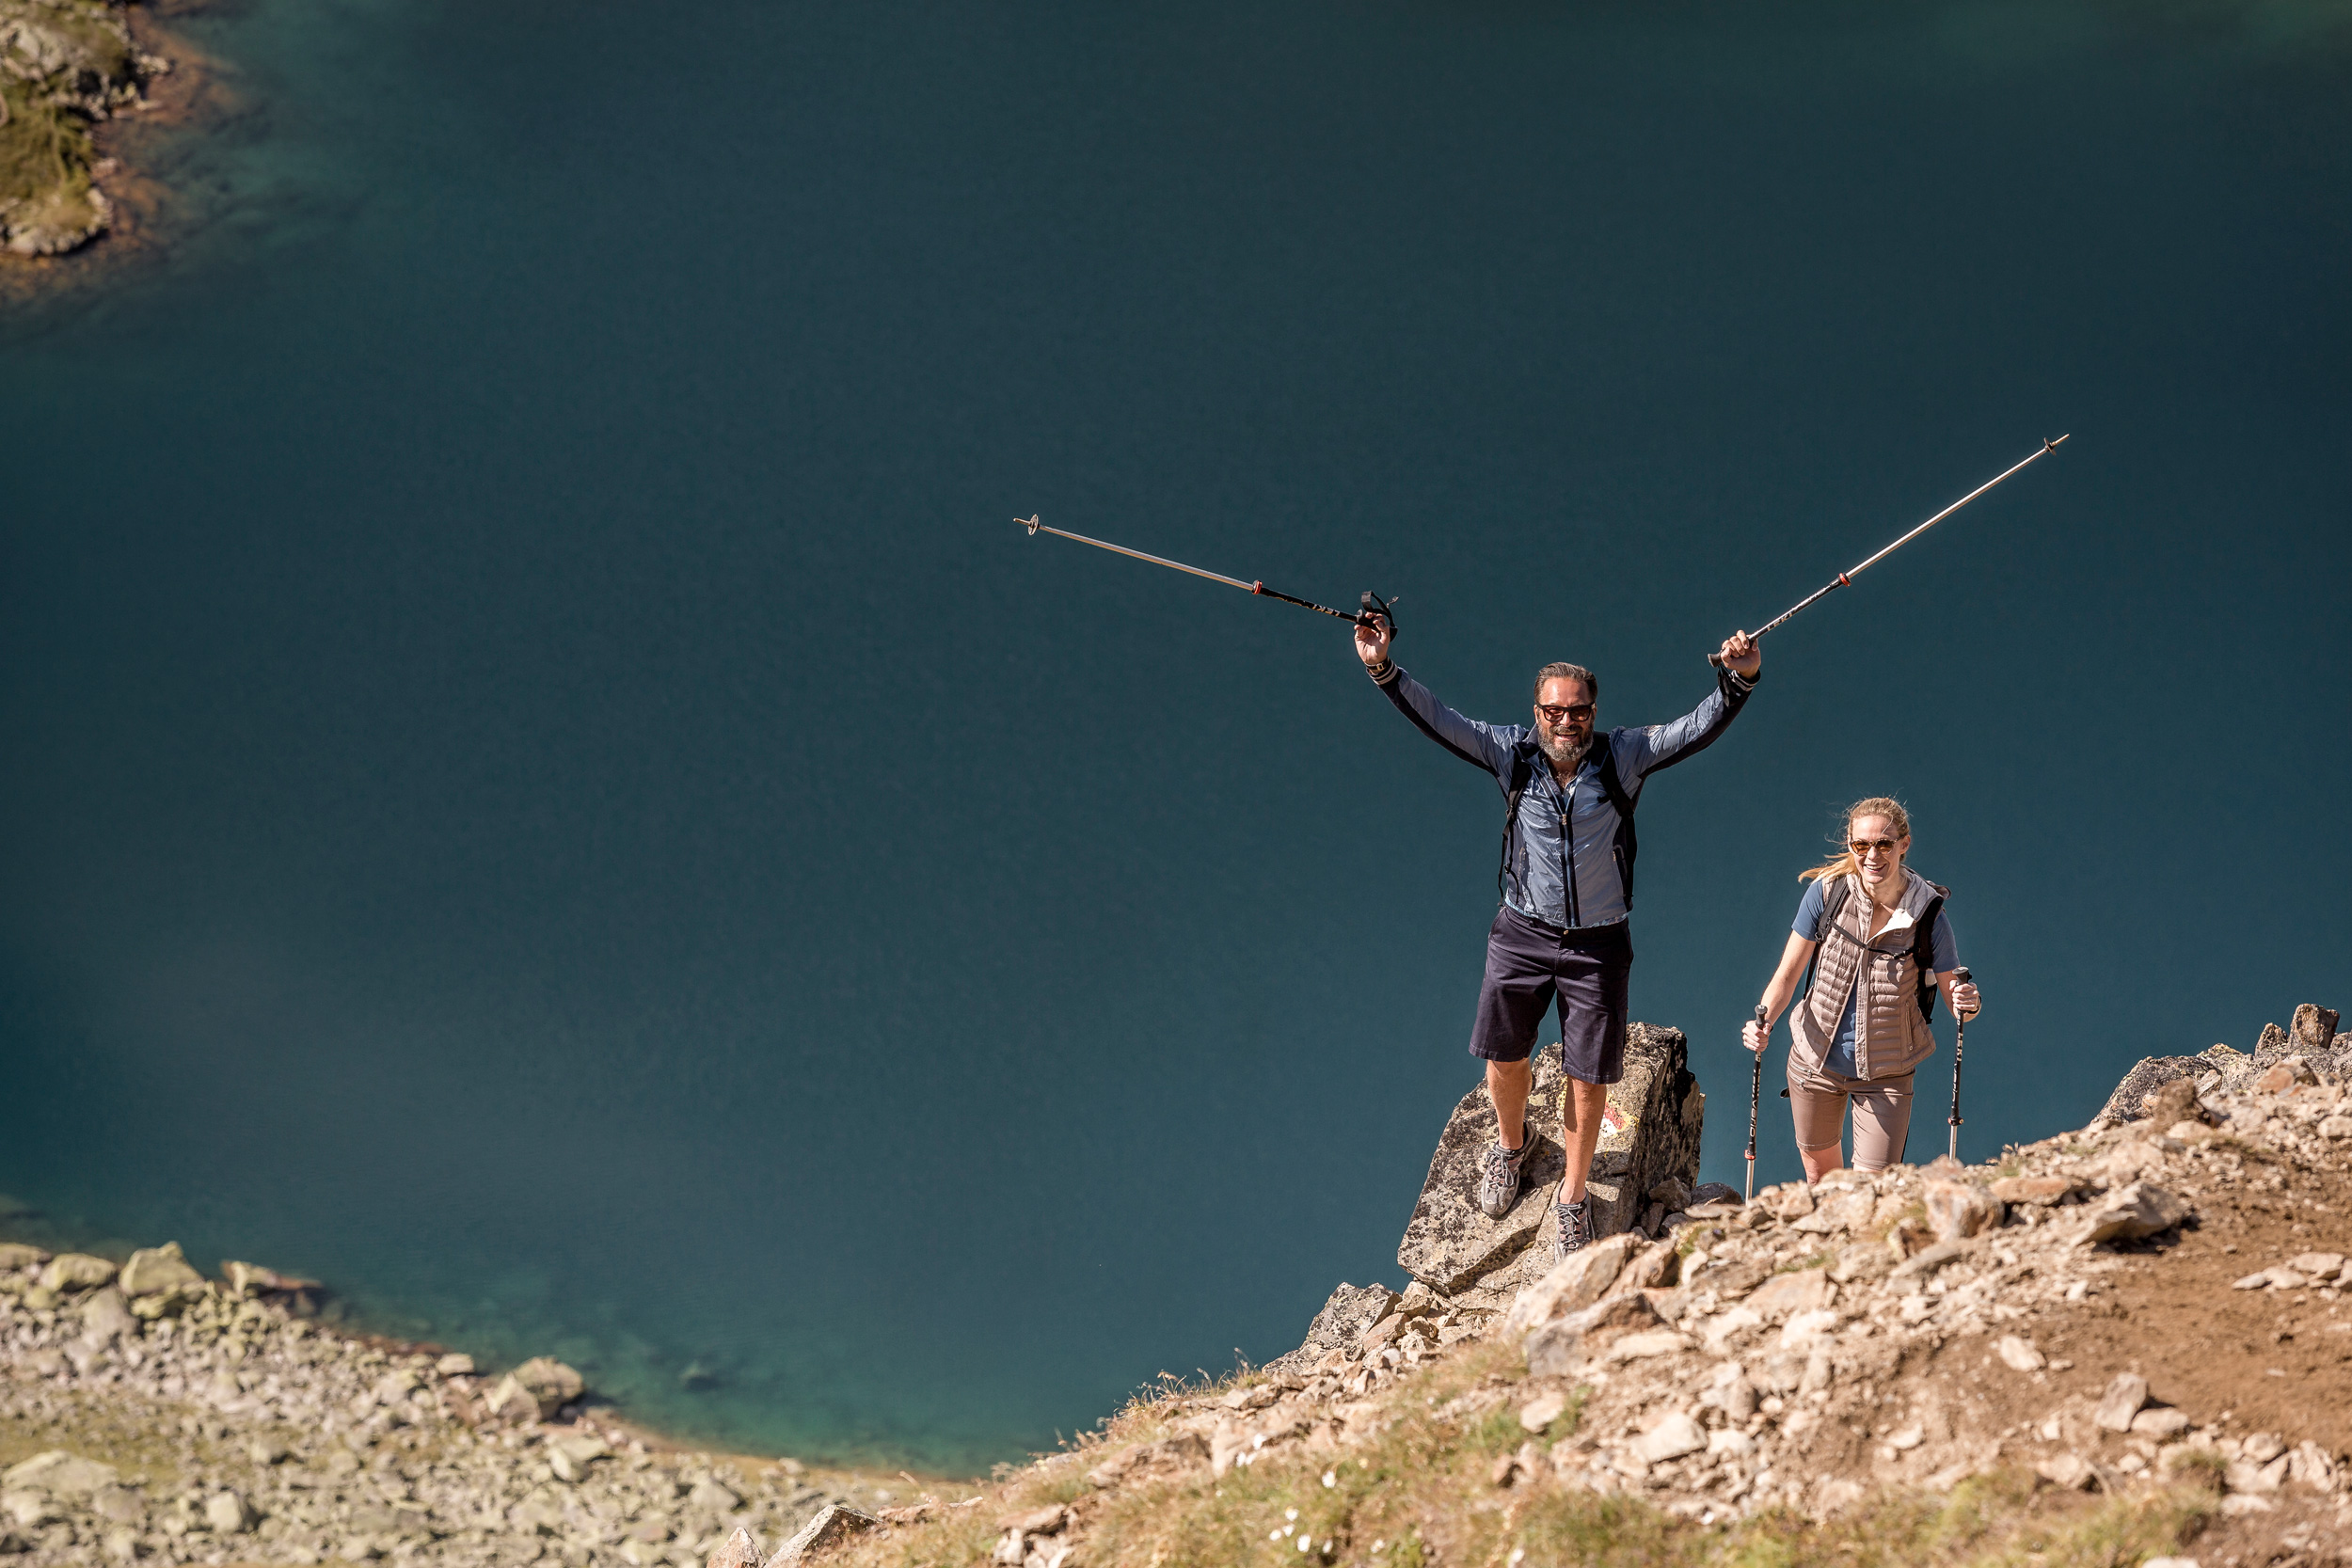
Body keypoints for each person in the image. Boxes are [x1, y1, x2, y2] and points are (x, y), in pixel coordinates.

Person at [1355, 614, 1762, 1259]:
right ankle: (1511, 1147)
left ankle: (1573, 1198)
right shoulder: (1509, 753)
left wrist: (1737, 683)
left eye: (1577, 712)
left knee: (1587, 1075)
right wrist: (1382, 667)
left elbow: (1690, 730)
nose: (1566, 722)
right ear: (1536, 712)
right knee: (1503, 1055)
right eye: (1553, 711)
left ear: (1593, 712)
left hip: (1598, 943)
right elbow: (1440, 719)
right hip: (1521, 931)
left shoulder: (1621, 755)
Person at [1741, 797, 1982, 1180]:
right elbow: (1787, 975)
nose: (1873, 855)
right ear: (1851, 846)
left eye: (1884, 844)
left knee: (1872, 1190)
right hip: (1813, 1062)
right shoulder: (1826, 893)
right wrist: (1763, 1020)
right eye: (1861, 845)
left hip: (1888, 1073)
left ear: (1904, 844)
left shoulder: (1927, 914)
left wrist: (1969, 1001)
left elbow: (1960, 1002)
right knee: (1822, 1182)